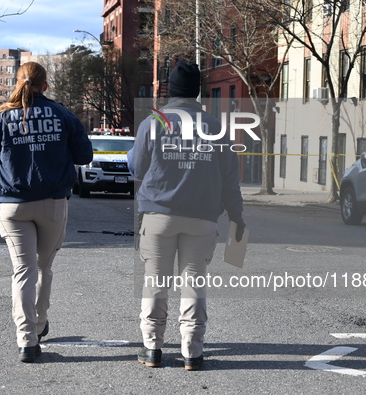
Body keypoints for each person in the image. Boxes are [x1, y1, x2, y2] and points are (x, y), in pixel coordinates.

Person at [128, 60, 246, 371]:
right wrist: (237, 216)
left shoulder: (153, 123)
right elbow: (230, 178)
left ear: (169, 90)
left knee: (156, 281)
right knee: (194, 282)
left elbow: (136, 168)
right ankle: (192, 352)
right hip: (202, 217)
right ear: (197, 92)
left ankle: (152, 348)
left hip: (158, 215)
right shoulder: (215, 127)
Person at [0, 62, 93, 363]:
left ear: (18, 82)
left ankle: (26, 341)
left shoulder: (1, 117)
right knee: (44, 267)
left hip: (12, 204)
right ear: (45, 85)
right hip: (53, 202)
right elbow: (85, 155)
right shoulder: (63, 114)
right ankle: (38, 325)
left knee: (23, 271)